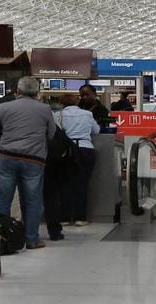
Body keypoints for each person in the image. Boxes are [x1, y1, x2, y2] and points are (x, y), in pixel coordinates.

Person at [0, 76, 55, 250]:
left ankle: (3, 238)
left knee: (3, 199)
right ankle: (32, 239)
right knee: (32, 200)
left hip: (7, 157)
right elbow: (51, 134)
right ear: (37, 93)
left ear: (17, 91)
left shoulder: (2, 107)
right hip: (34, 159)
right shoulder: (45, 109)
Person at [52, 93, 98, 232]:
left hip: (66, 151)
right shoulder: (87, 114)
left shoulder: (57, 116)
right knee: (81, 183)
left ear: (61, 103)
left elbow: (54, 133)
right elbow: (96, 130)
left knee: (64, 184)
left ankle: (64, 218)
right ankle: (80, 218)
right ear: (77, 102)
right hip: (85, 149)